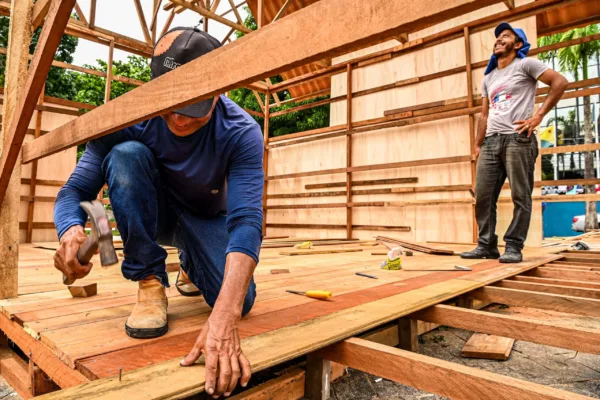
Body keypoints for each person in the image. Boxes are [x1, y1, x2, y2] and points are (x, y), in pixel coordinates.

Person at [53, 27, 263, 397]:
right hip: (155, 213)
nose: (181, 120)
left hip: (204, 215)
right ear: (154, 88)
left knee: (240, 302)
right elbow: (74, 192)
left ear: (218, 92)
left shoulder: (241, 130)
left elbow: (246, 220)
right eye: (171, 106)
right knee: (125, 155)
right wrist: (70, 229)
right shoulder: (126, 118)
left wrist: (225, 318)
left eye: (194, 108)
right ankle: (149, 282)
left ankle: (191, 262)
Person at [461, 22, 567, 263]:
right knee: (484, 196)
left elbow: (560, 82)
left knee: (521, 195)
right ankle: (486, 245)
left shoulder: (526, 64)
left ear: (518, 44)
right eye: (498, 37)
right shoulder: (489, 77)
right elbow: (484, 115)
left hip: (518, 140)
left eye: (505, 36)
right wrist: (478, 145)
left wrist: (538, 116)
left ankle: (513, 246)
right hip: (491, 142)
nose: (499, 39)